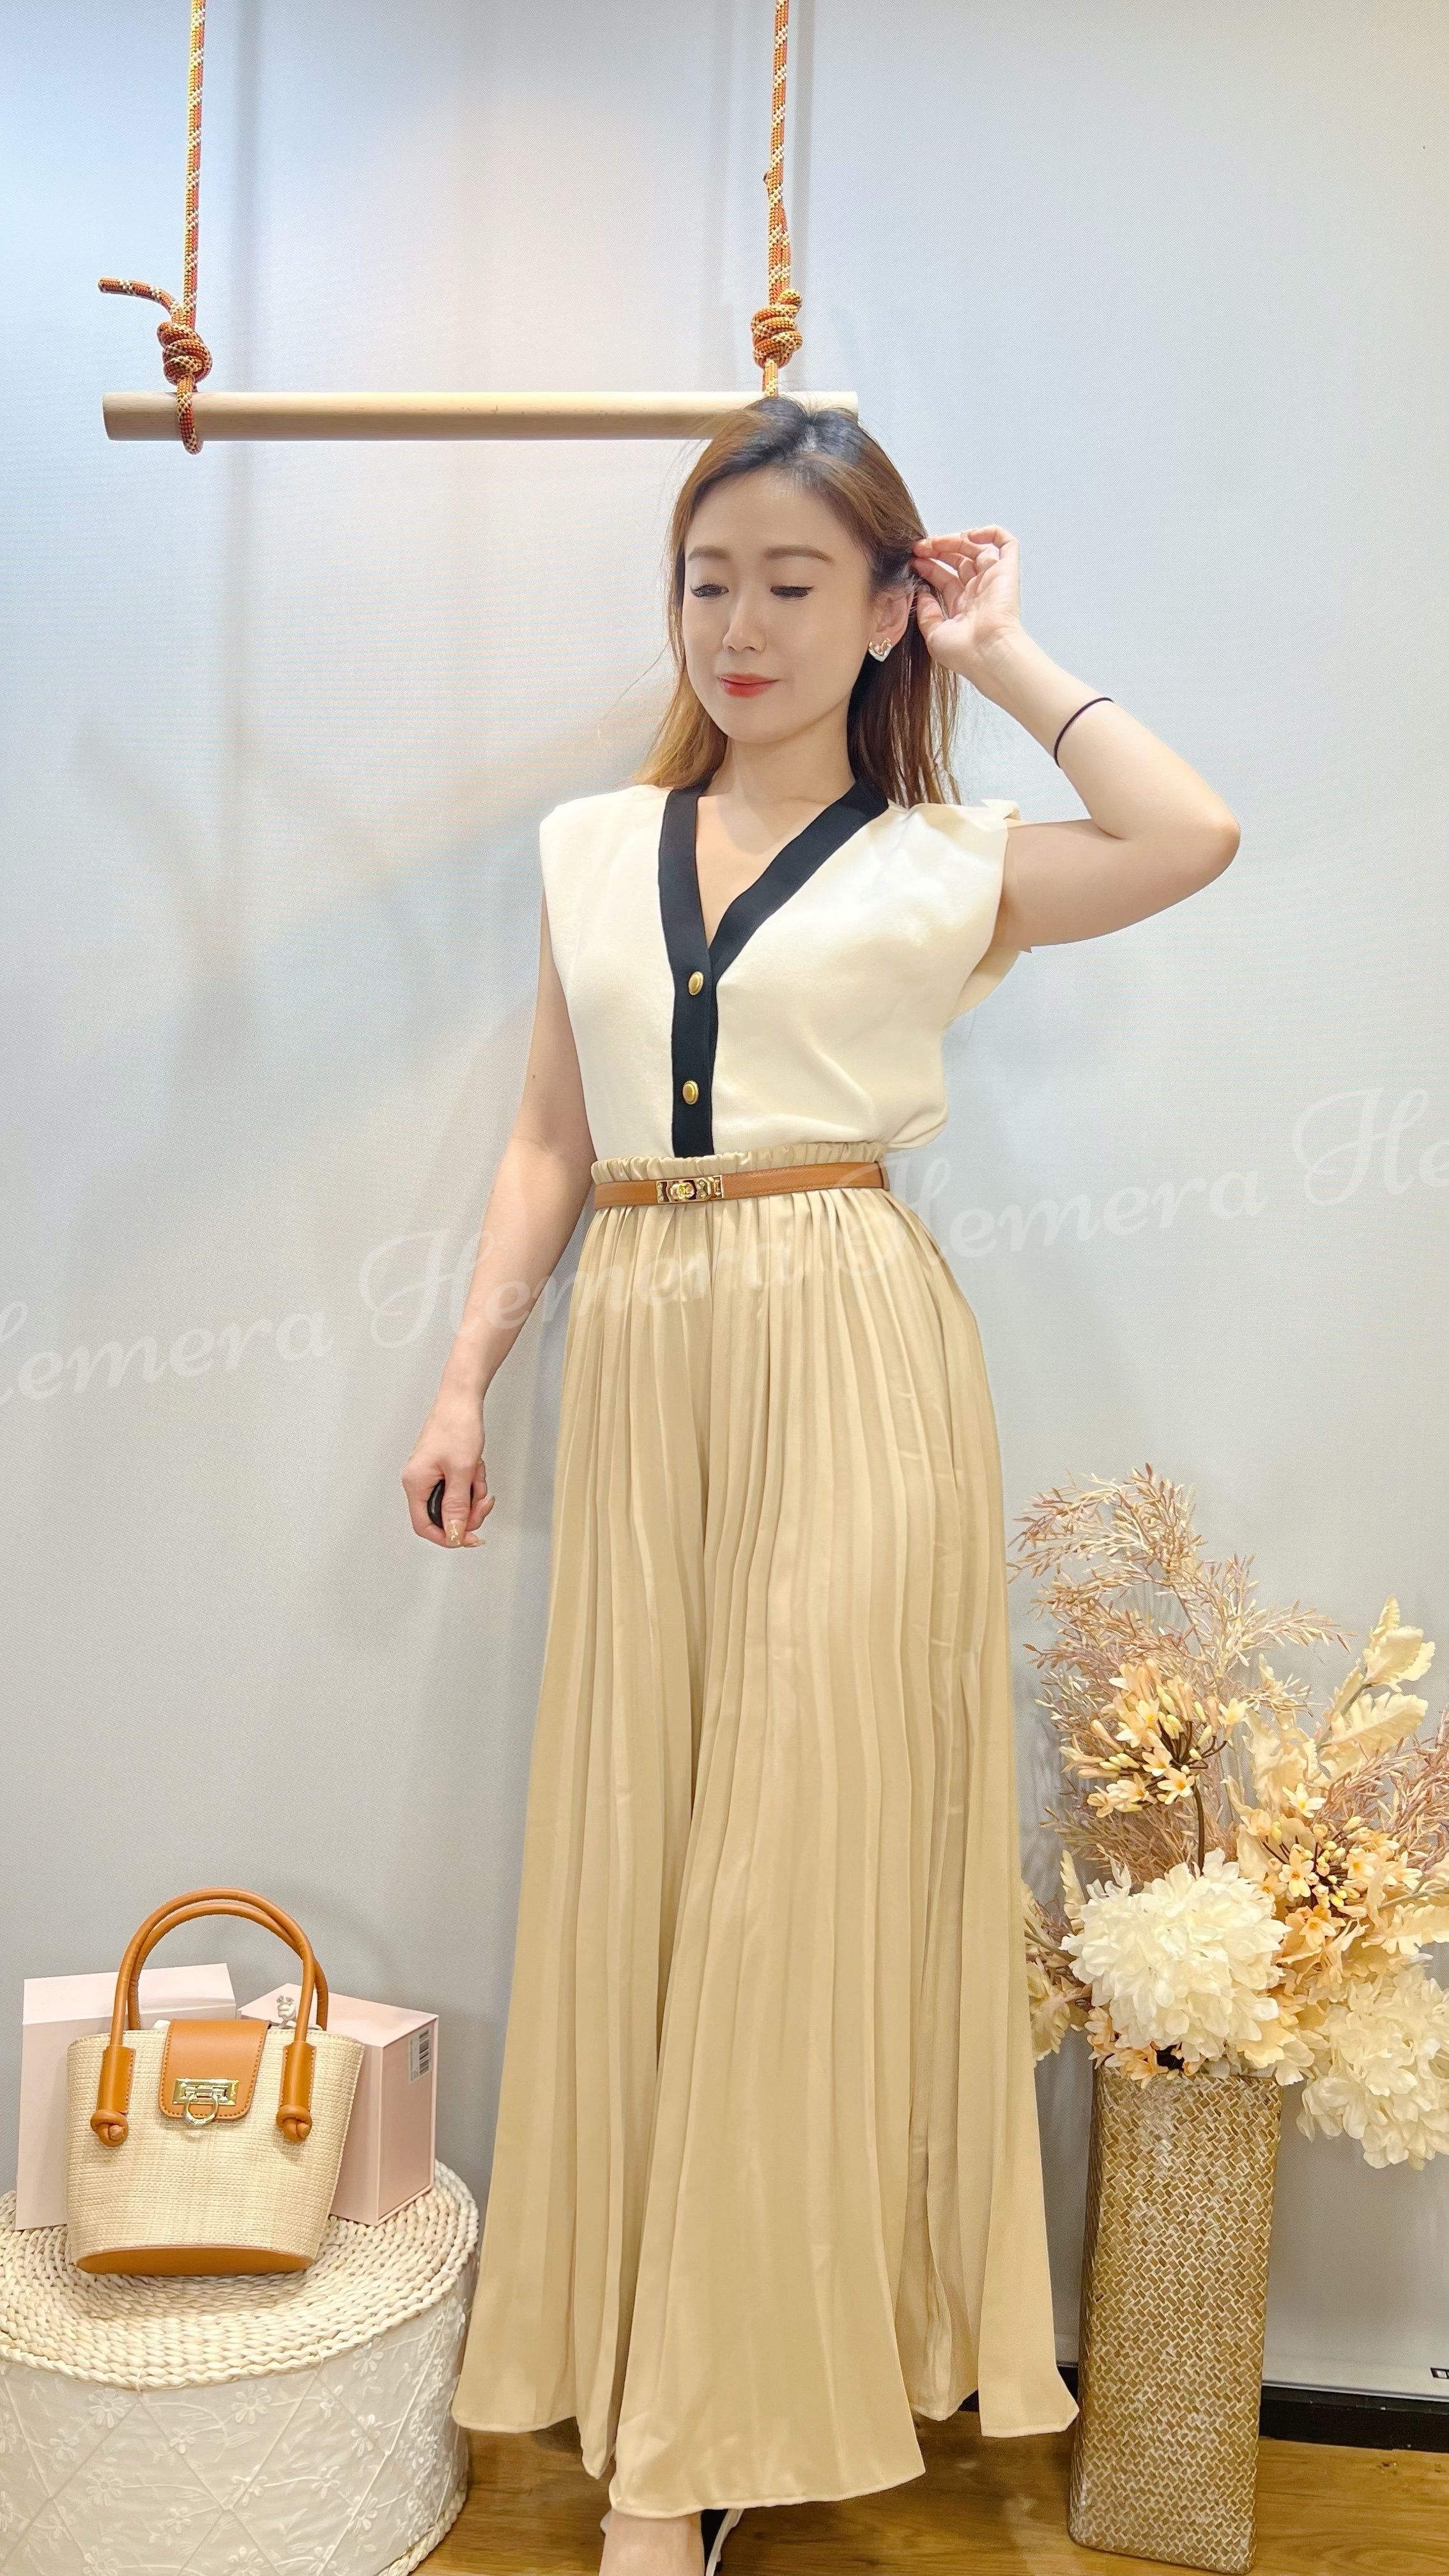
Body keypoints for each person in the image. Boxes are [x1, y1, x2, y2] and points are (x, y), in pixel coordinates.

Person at [402, 397, 1239, 2576]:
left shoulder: (948, 860)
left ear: (881, 612)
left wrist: (1004, 651)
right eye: (707, 581)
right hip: (646, 1341)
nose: (738, 626)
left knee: (795, 1865)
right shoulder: (590, 844)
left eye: (792, 583)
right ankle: (679, 2384)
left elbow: (1188, 834)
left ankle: (688, 2447)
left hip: (851, 1340)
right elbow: (548, 1139)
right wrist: (466, 1375)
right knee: (650, 1856)